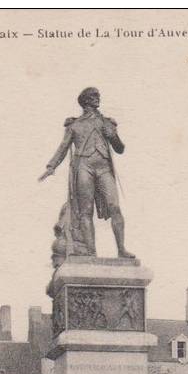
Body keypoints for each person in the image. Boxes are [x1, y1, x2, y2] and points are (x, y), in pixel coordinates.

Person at [39, 87, 135, 259]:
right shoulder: (75, 125)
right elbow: (63, 147)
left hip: (104, 167)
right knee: (86, 211)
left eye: (98, 96)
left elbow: (120, 149)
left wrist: (113, 136)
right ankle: (91, 253)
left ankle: (121, 249)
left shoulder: (107, 122)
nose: (97, 99)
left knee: (114, 206)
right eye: (93, 96)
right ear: (84, 101)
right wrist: (51, 167)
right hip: (84, 167)